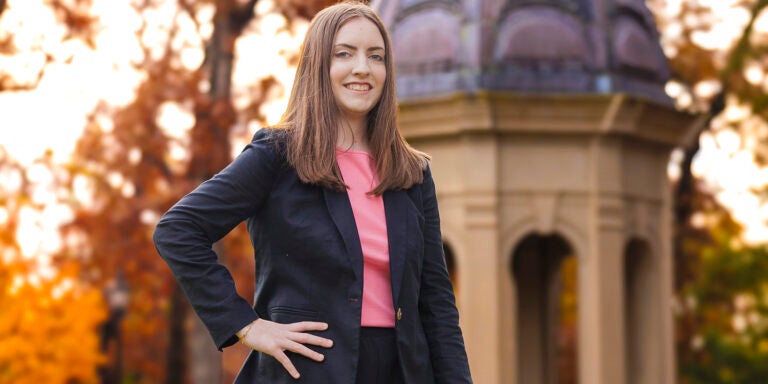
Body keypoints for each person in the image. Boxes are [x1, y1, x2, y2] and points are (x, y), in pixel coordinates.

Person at [153, 1, 472, 383]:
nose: (362, 68)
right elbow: (178, 230)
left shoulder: (412, 172)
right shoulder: (277, 155)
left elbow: (436, 302)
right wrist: (247, 326)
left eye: (376, 56)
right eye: (344, 54)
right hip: (305, 371)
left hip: (402, 371)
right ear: (319, 65)